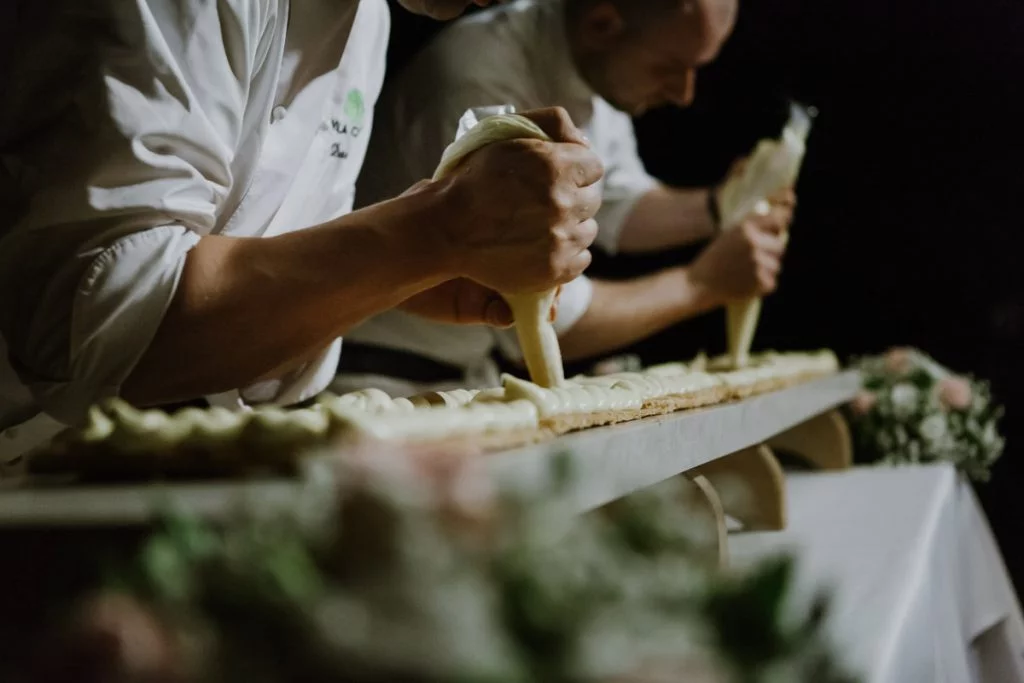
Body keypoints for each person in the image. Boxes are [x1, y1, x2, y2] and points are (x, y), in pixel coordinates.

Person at [0, 0, 603, 463]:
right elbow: (92, 322)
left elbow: (234, 263)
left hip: (145, 466)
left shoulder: (369, 20)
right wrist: (430, 232)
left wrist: (404, 273)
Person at [340, 0, 795, 395]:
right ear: (602, 25)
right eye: (671, 67)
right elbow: (543, 319)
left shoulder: (593, 67)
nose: (684, 94)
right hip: (376, 378)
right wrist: (701, 285)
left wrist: (725, 204)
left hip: (467, 373)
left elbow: (618, 205)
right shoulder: (480, 84)